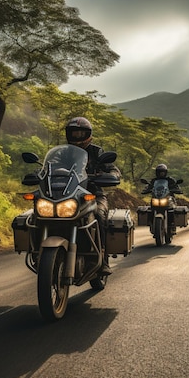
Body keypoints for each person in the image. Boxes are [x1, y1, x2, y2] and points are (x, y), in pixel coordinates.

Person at [65, 116, 120, 275]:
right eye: (74, 133)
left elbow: (112, 168)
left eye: (81, 133)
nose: (77, 137)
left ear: (88, 134)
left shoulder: (97, 152)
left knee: (99, 216)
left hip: (93, 194)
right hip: (67, 196)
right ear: (69, 134)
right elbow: (49, 167)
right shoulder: (64, 153)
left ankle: (102, 260)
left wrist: (112, 175)